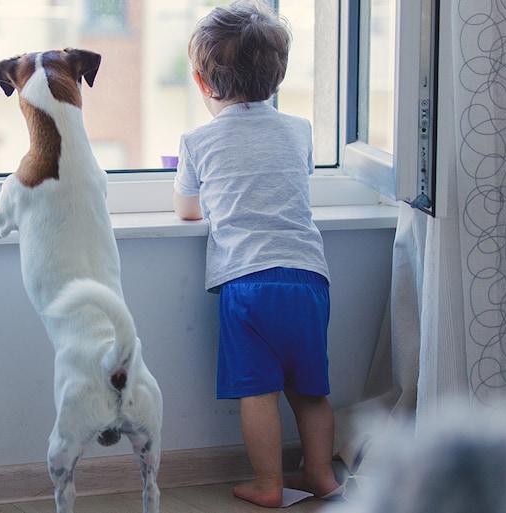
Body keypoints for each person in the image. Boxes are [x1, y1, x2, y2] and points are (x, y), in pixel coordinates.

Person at [173, 0, 341, 507]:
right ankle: (322, 476)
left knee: (259, 392)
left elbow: (186, 210)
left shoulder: (198, 140)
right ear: (278, 77)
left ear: (202, 83)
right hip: (309, 278)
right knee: (312, 390)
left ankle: (269, 485)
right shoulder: (300, 131)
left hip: (247, 284)